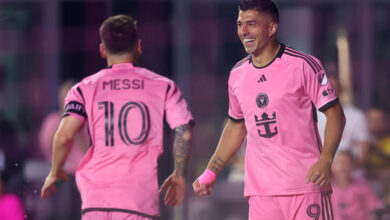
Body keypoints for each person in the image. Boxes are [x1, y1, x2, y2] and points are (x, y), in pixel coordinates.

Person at [193, 0, 346, 219]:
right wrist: (211, 171)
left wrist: (326, 160)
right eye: (239, 24)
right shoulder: (237, 74)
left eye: (251, 24)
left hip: (305, 186)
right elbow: (236, 126)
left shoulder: (303, 65)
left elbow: (336, 115)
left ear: (272, 28)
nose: (243, 31)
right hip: (261, 194)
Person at [41, 14, 194, 220]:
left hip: (95, 201)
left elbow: (63, 136)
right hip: (137, 201)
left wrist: (54, 171)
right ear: (139, 46)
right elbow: (184, 131)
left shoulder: (83, 89)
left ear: (102, 50)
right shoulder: (164, 86)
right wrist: (179, 175)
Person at [37, 80, 89, 220]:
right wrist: (64, 120)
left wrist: (75, 126)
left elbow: (89, 152)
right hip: (59, 176)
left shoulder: (88, 121)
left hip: (80, 177)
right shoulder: (52, 120)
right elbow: (47, 146)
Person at [317, 76, 369, 169]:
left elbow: (363, 150)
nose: (330, 92)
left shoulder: (356, 115)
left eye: (333, 88)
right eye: (327, 89)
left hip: (352, 174)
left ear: (341, 90)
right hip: (321, 172)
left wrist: (345, 171)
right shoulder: (312, 115)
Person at [331, 150, 383, 220]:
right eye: (340, 162)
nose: (343, 165)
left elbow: (375, 208)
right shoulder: (328, 188)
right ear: (333, 166)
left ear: (353, 167)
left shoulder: (361, 185)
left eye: (347, 163)